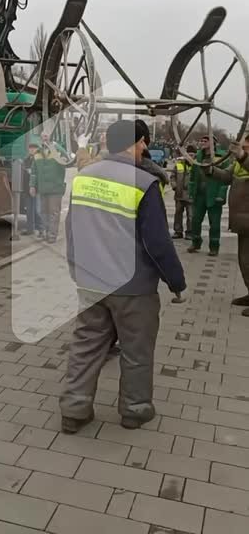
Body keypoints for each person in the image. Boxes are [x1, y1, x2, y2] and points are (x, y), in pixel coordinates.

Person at [61, 120, 186, 433]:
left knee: (86, 347)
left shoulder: (84, 177)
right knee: (136, 350)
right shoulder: (143, 183)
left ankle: (74, 410)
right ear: (136, 143)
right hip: (133, 287)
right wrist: (176, 281)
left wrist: (76, 267)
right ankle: (134, 410)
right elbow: (157, 242)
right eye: (143, 143)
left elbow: (72, 229)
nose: (145, 148)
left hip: (91, 281)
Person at [206, 136, 249, 315]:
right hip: (243, 221)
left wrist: (242, 156)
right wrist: (210, 169)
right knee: (244, 260)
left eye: (247, 146)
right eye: (244, 146)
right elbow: (226, 177)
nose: (244, 147)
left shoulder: (243, 160)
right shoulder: (239, 164)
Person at [188, 134, 229, 256]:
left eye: (206, 140)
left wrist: (221, 194)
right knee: (195, 220)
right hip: (200, 195)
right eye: (202, 140)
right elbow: (192, 176)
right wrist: (191, 192)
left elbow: (226, 178)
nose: (203, 142)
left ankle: (214, 247)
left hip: (214, 195)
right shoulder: (198, 157)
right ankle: (195, 242)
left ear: (213, 143)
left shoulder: (222, 156)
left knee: (214, 223)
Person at [30, 131, 69, 243]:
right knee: (43, 213)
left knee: (53, 213)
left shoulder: (57, 151)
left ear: (51, 137)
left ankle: (52, 235)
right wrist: (32, 185)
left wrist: (54, 146)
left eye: (46, 135)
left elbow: (67, 159)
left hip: (55, 188)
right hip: (42, 188)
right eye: (42, 136)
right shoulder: (37, 153)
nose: (44, 137)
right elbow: (34, 172)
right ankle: (46, 233)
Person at [170, 145, 197, 240]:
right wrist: (174, 186)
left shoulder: (197, 165)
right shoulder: (179, 164)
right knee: (178, 214)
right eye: (188, 154)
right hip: (179, 193)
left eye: (192, 155)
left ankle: (190, 232)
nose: (190, 156)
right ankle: (178, 231)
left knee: (191, 215)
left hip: (191, 195)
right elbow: (173, 176)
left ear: (195, 155)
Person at [22, 137, 44, 237]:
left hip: (37, 188)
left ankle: (41, 229)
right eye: (30, 148)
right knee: (29, 210)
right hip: (28, 188)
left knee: (37, 210)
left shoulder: (40, 159)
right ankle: (30, 229)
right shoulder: (26, 160)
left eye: (33, 148)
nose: (31, 150)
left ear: (37, 149)